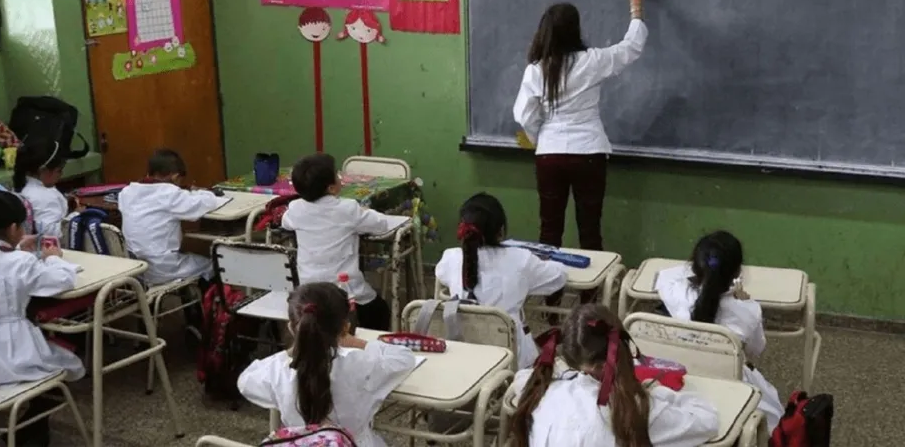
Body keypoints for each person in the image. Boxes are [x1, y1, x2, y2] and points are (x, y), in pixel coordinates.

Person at [513, 0, 648, 261]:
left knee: (549, 232)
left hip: (550, 156)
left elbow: (524, 115)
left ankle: (551, 298)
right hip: (589, 152)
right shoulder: (592, 61)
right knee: (590, 231)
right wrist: (636, 8)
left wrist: (541, 138)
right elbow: (631, 48)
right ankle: (591, 298)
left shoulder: (536, 70)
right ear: (575, 30)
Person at [510, 304, 718, 447]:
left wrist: (563, 373)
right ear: (622, 349)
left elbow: (521, 378)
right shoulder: (635, 409)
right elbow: (707, 420)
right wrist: (660, 392)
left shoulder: (542, 391)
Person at [237, 282, 415, 446]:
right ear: (345, 328)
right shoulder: (362, 365)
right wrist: (359, 343)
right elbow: (404, 358)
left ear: (292, 328)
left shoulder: (277, 370)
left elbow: (245, 381)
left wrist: (294, 350)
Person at [656, 230, 784, 432]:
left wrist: (703, 271)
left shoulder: (677, 294)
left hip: (681, 381)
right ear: (737, 272)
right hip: (730, 384)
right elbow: (756, 350)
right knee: (773, 408)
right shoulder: (747, 310)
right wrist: (740, 297)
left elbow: (665, 276)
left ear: (696, 266)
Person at [0, 191, 85, 446]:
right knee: (67, 366)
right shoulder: (19, 262)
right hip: (11, 355)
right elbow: (61, 281)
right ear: (13, 228)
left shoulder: (8, 257)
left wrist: (16, 247)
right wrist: (54, 259)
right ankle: (30, 431)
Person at [434, 192, 566, 368]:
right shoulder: (521, 260)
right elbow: (559, 277)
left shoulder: (451, 257)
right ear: (501, 231)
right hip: (512, 361)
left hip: (464, 357)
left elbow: (440, 273)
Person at [282, 153, 408, 331]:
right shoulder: (348, 208)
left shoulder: (295, 208)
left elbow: (285, 221)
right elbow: (381, 225)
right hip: (346, 291)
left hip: (308, 290)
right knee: (379, 311)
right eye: (337, 174)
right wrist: (365, 211)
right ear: (332, 188)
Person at [119, 149, 229, 287]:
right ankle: (209, 306)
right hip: (162, 269)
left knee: (190, 259)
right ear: (175, 177)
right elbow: (207, 203)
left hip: (136, 269)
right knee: (213, 266)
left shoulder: (126, 192)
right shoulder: (169, 194)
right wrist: (201, 192)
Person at [14, 138, 72, 238]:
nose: (61, 174)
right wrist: (75, 215)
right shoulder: (43, 197)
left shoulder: (27, 187)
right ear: (43, 170)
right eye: (59, 170)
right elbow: (49, 232)